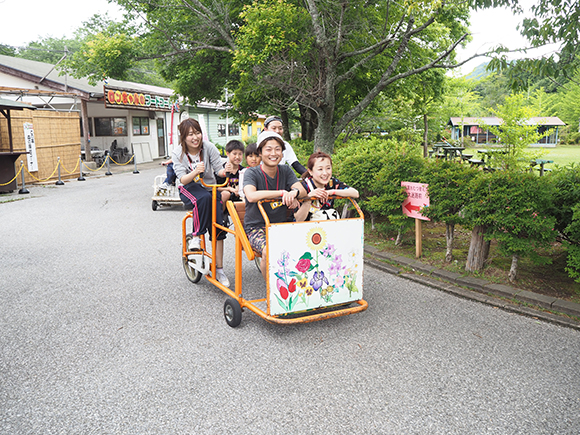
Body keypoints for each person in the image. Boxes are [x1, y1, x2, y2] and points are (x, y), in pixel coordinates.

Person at [171, 118, 233, 286]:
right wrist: (195, 172)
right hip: (188, 187)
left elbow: (218, 170)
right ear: (183, 137)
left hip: (208, 187)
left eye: (197, 133)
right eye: (190, 134)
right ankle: (197, 236)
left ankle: (219, 270)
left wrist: (225, 170)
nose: (195, 137)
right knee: (204, 198)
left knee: (219, 226)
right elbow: (182, 179)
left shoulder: (208, 147)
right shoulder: (178, 153)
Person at [243, 130, 303, 281]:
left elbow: (301, 189)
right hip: (257, 227)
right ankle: (273, 291)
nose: (273, 153)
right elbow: (251, 195)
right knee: (269, 251)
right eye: (268, 149)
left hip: (282, 225)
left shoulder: (285, 170)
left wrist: (294, 193)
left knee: (308, 246)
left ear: (282, 153)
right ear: (260, 152)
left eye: (277, 149)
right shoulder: (251, 173)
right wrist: (282, 193)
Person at [294, 151, 359, 222]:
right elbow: (298, 219)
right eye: (320, 169)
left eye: (328, 168)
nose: (325, 173)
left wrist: (330, 192)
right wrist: (308, 198)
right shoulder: (303, 187)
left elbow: (355, 193)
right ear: (310, 171)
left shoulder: (332, 182)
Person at [216, 139, 245, 208]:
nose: (237, 157)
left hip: (240, 198)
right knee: (225, 194)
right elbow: (216, 188)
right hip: (225, 199)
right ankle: (220, 216)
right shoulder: (221, 170)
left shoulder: (243, 170)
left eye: (240, 154)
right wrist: (229, 189)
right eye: (234, 154)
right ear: (228, 154)